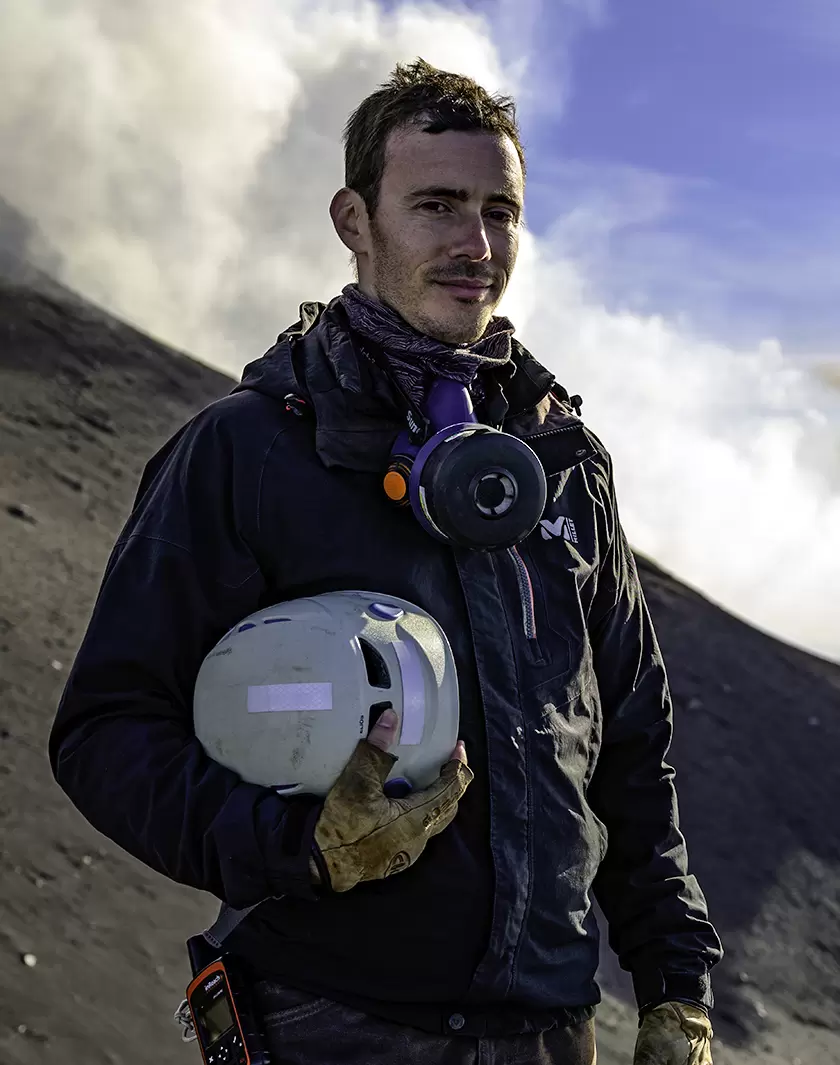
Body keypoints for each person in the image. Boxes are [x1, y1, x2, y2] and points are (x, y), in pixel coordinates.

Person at [49, 58, 723, 1065]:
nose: (477, 244)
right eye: (437, 205)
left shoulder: (564, 468)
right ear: (354, 219)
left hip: (550, 1028)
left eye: (501, 210)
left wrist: (676, 989)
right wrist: (297, 847)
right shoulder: (248, 452)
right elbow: (106, 731)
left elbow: (631, 749)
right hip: (333, 1022)